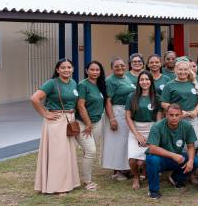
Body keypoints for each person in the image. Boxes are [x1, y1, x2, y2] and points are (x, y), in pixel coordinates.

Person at [30, 58, 81, 194]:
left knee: (67, 154)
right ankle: (58, 187)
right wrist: (45, 113)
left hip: (69, 120)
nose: (66, 70)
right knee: (58, 155)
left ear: (73, 69)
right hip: (56, 122)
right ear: (57, 70)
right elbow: (34, 98)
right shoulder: (52, 83)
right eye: (63, 68)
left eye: (69, 67)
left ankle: (69, 183)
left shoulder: (73, 83)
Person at [144, 104, 198, 199]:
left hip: (176, 158)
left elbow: (191, 146)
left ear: (181, 115)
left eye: (177, 115)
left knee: (196, 161)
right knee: (152, 159)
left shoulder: (187, 126)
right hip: (160, 159)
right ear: (166, 115)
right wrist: (173, 155)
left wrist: (190, 160)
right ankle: (153, 191)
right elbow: (152, 148)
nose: (174, 118)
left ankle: (176, 179)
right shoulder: (157, 126)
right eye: (171, 115)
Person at [125, 71, 161, 190]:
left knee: (148, 157)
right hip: (136, 130)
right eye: (142, 80)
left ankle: (146, 172)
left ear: (151, 81)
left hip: (152, 130)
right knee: (132, 159)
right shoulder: (132, 96)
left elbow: (159, 120)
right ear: (138, 82)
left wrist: (152, 136)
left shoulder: (157, 97)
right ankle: (136, 177)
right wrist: (137, 135)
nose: (144, 82)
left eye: (147, 79)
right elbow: (128, 117)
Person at [75, 60, 106, 191]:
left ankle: (86, 175)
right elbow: (80, 105)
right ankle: (88, 181)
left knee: (89, 151)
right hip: (83, 123)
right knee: (90, 150)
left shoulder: (100, 85)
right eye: (91, 70)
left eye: (97, 70)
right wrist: (87, 123)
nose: (94, 72)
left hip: (97, 122)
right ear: (86, 71)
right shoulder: (83, 85)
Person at [103, 57, 136, 180]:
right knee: (117, 143)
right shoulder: (110, 81)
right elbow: (108, 101)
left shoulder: (126, 78)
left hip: (127, 112)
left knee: (125, 142)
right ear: (112, 68)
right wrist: (112, 118)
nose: (120, 67)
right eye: (116, 66)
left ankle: (125, 168)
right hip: (117, 112)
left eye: (122, 65)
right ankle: (118, 170)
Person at [160, 58, 198, 139]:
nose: (183, 72)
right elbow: (163, 103)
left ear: (189, 70)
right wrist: (178, 112)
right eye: (180, 69)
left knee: (193, 144)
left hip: (192, 119)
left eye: (185, 69)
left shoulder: (194, 83)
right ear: (175, 70)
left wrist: (195, 111)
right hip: (175, 119)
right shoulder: (170, 85)